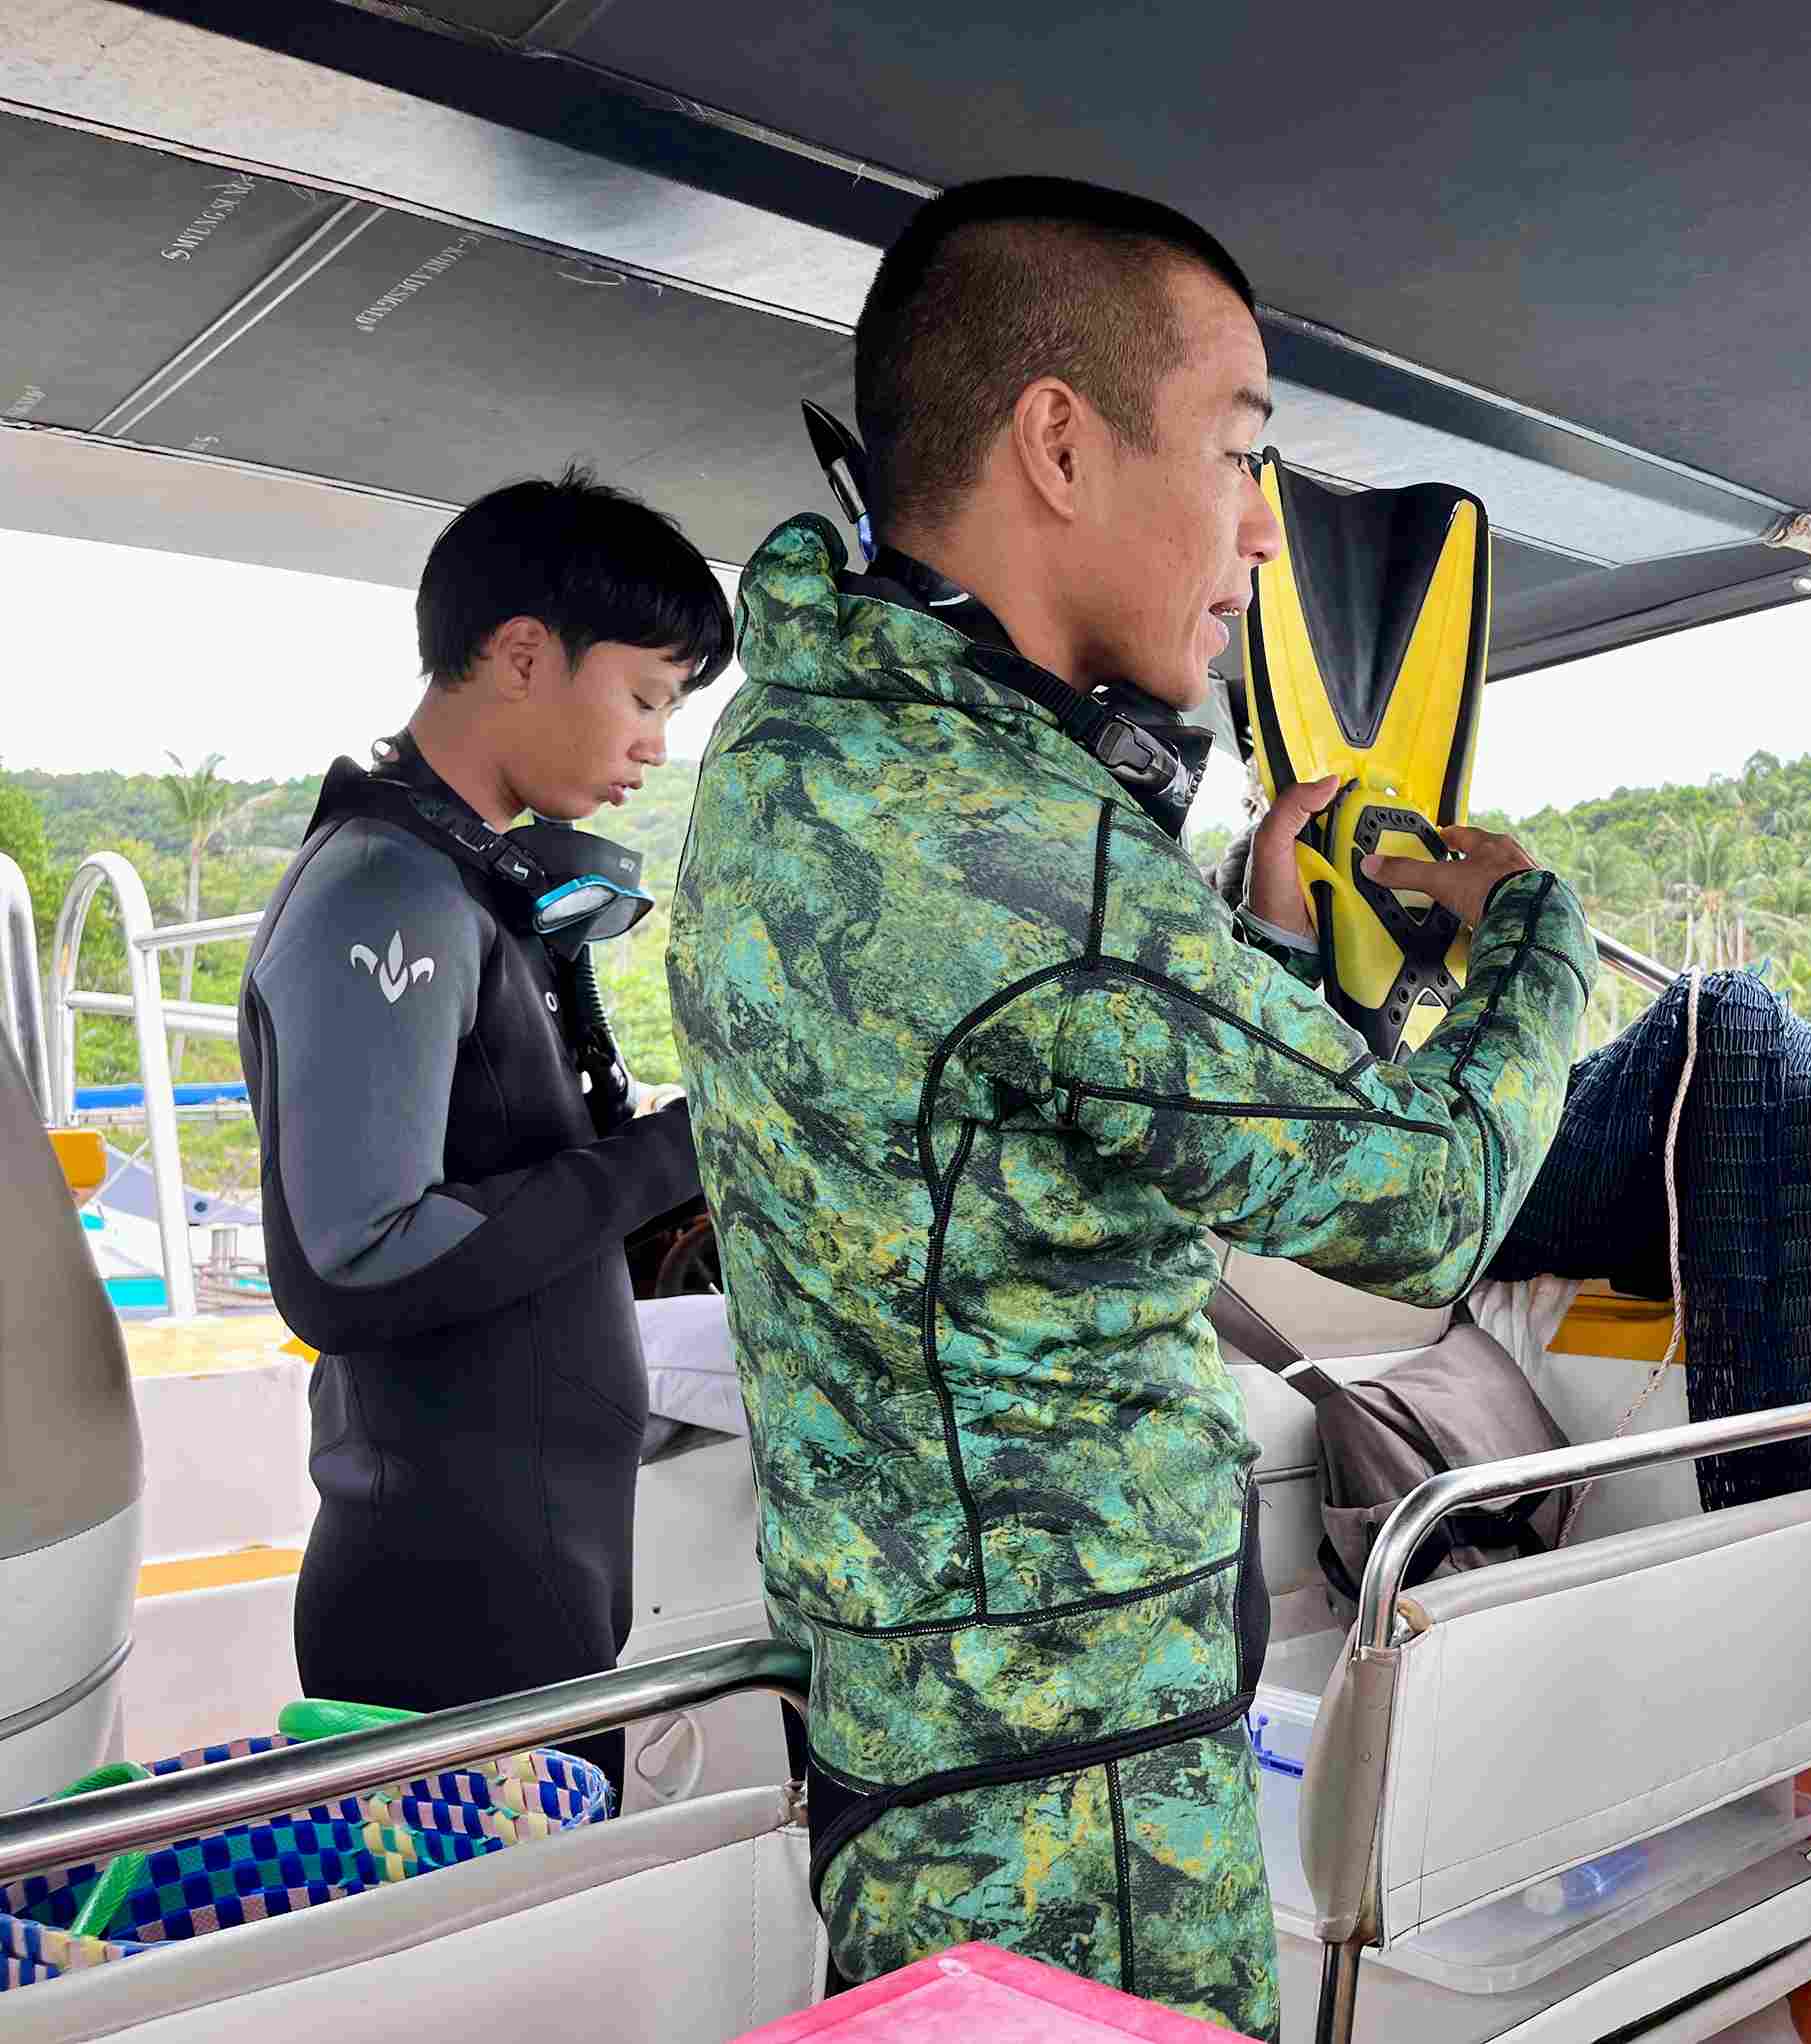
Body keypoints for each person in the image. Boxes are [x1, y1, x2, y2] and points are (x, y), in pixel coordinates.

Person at [667, 177, 1591, 2037]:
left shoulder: (818, 748)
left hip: (933, 1739)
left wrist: (1227, 929)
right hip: (1066, 1791)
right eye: (1242, 452)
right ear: (1061, 445)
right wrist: (1529, 937)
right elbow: (1427, 1199)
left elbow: (1033, 1089)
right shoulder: (1012, 850)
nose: (1263, 529)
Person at [238, 467, 728, 1791]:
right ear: (522, 654)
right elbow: (361, 1259)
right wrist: (683, 1151)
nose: (651, 746)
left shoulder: (468, 876)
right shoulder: (384, 894)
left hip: (532, 1565)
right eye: (644, 697)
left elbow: (514, 1201)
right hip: (447, 1593)